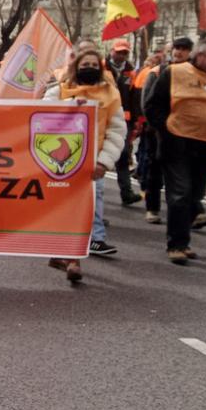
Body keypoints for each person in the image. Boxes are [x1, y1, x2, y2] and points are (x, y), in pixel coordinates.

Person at [144, 38, 206, 264]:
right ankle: (175, 245)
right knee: (180, 194)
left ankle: (183, 242)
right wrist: (166, 130)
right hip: (177, 146)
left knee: (194, 196)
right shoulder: (173, 72)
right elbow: (152, 106)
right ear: (200, 54)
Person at [45, 48, 128, 282]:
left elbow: (117, 130)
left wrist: (104, 161)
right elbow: (41, 118)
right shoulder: (58, 91)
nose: (89, 68)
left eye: (93, 64)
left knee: (85, 211)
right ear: (76, 67)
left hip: (92, 165)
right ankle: (62, 254)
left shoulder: (111, 95)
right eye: (85, 64)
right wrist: (70, 106)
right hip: (61, 165)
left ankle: (73, 258)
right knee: (62, 210)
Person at [140, 37, 195, 223]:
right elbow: (146, 103)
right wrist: (157, 126)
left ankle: (189, 213)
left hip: (185, 133)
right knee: (154, 170)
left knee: (184, 173)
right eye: (176, 48)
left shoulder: (196, 74)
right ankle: (152, 208)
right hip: (158, 131)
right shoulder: (157, 72)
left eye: (184, 49)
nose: (179, 52)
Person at [106, 39, 141, 207]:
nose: (121, 55)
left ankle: (126, 193)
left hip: (123, 120)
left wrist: (136, 121)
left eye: (124, 53)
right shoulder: (101, 68)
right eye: (119, 52)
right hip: (103, 117)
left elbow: (135, 98)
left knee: (123, 155)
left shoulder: (131, 73)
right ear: (112, 51)